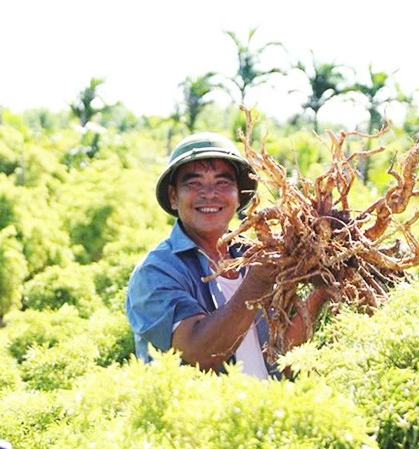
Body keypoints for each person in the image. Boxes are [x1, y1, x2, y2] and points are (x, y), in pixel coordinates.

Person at [125, 132, 327, 379]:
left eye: (223, 183)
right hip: (204, 416)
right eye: (194, 183)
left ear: (238, 195)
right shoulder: (156, 271)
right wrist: (257, 282)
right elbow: (198, 354)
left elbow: (282, 355)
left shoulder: (255, 255)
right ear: (173, 196)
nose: (210, 194)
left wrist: (320, 292)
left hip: (269, 412)